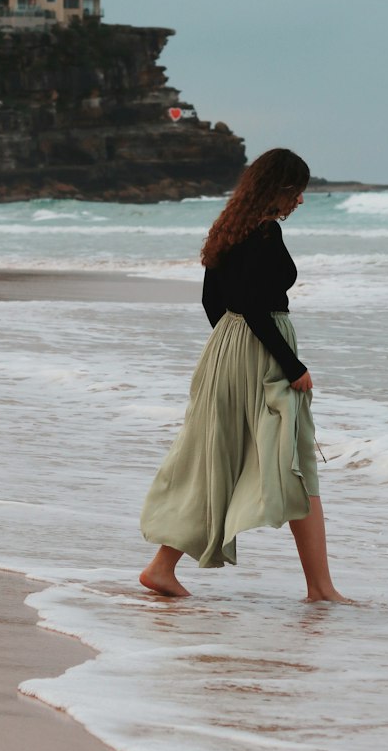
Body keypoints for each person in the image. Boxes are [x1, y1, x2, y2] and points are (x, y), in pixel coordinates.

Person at [139, 148, 347, 602]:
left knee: (215, 459)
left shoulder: (228, 227)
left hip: (226, 351)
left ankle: (162, 567)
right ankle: (321, 589)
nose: (300, 202)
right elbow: (255, 306)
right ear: (280, 189)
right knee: (297, 462)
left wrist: (231, 350)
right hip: (262, 350)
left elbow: (214, 302)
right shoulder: (265, 232)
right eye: (298, 192)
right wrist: (291, 367)